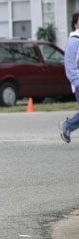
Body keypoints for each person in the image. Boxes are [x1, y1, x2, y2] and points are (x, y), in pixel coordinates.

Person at [59, 12, 79, 143]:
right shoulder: (74, 41)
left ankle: (68, 126)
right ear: (76, 24)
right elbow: (69, 64)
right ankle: (68, 125)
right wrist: (76, 82)